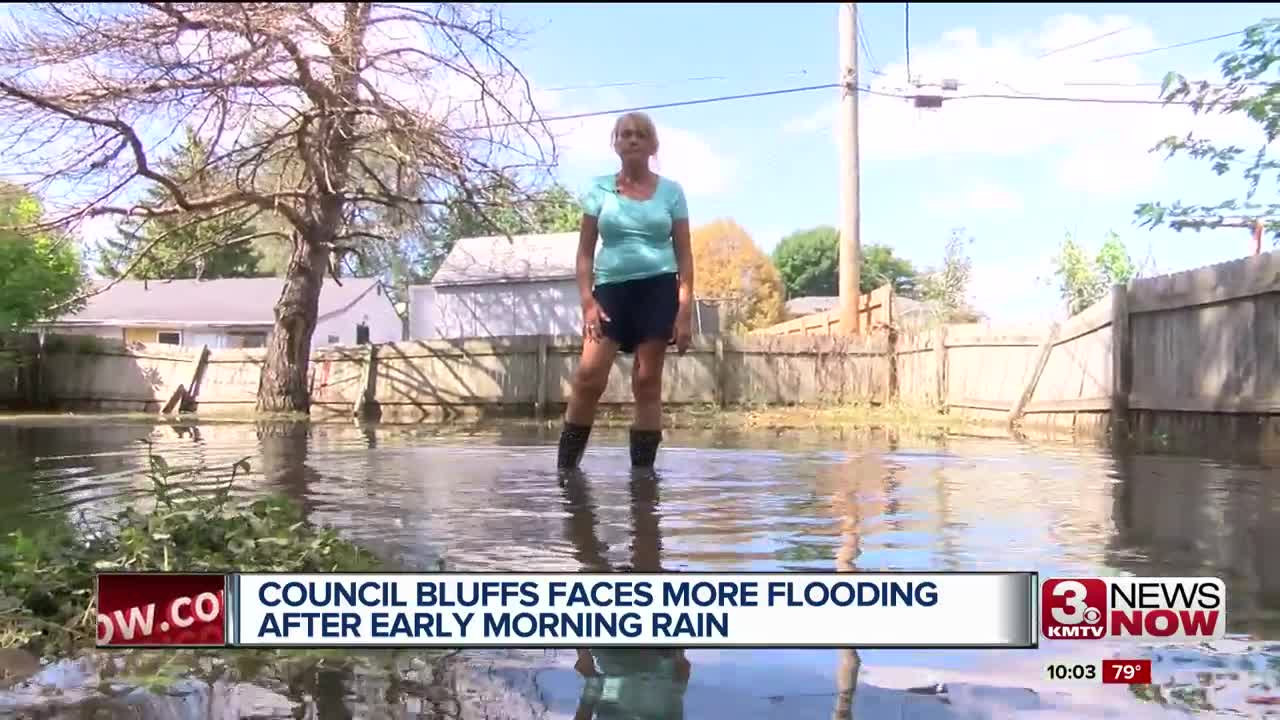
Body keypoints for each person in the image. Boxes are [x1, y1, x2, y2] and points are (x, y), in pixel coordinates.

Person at [557, 111, 694, 471]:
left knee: (647, 382)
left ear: (652, 145)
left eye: (640, 135)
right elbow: (584, 252)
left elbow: (685, 255)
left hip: (658, 291)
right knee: (588, 378)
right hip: (610, 293)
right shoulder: (599, 190)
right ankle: (566, 472)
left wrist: (683, 313)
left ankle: (643, 480)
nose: (632, 139)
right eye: (626, 134)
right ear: (616, 143)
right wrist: (588, 303)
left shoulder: (671, 192)